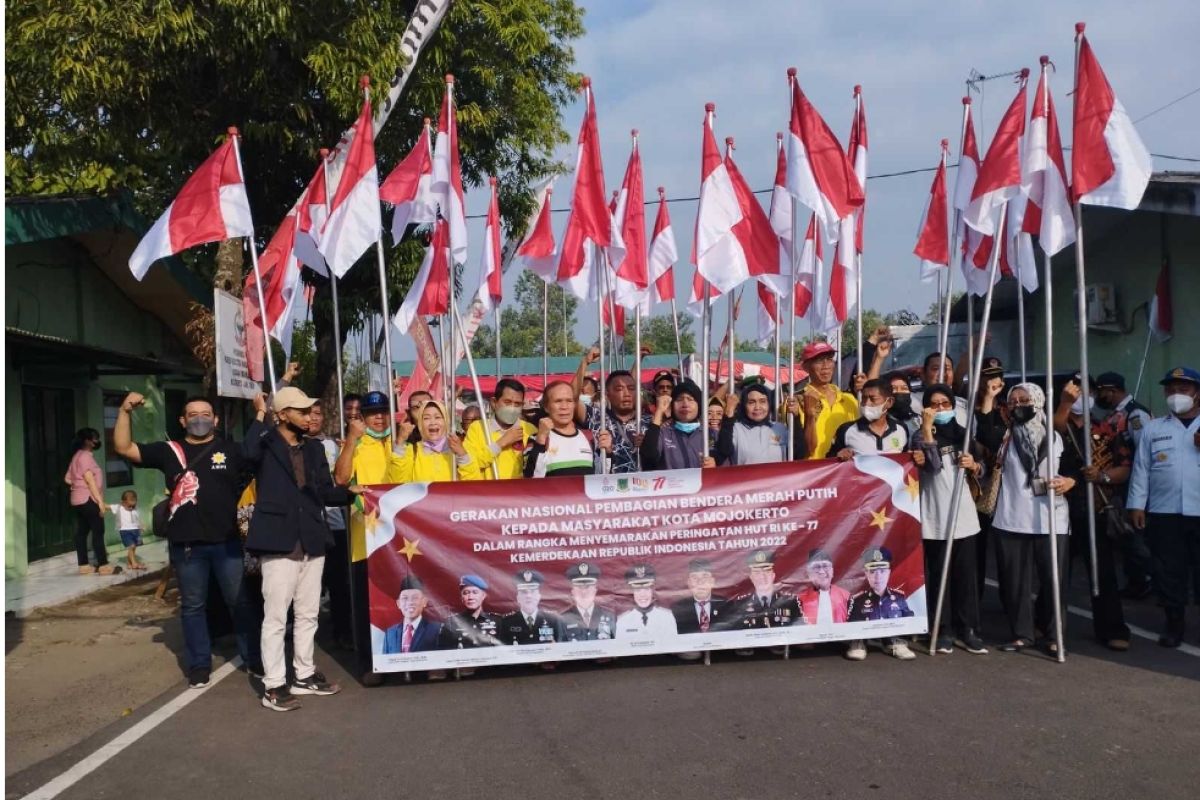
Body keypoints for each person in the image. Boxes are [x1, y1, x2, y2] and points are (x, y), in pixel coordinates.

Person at [113, 393, 262, 688]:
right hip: (187, 546)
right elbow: (124, 448)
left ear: (216, 420)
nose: (199, 419)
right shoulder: (170, 451)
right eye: (192, 414)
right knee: (193, 606)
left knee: (240, 602)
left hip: (227, 544)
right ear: (182, 420)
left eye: (205, 413)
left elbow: (257, 449)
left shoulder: (230, 450)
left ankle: (254, 657)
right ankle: (198, 665)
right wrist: (124, 410)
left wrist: (260, 414)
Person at [244, 387, 358, 711]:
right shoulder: (264, 443)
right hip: (277, 539)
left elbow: (323, 491)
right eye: (302, 411)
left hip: (312, 537)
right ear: (282, 415)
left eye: (311, 411)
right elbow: (246, 454)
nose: (310, 416)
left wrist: (351, 493)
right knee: (276, 617)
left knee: (308, 613)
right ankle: (274, 685)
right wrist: (259, 413)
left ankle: (304, 674)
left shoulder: (314, 450)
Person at [990, 383, 1073, 654]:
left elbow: (1078, 469)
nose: (1017, 405)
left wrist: (1070, 481)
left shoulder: (1057, 434)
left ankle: (1053, 635)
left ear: (1037, 401)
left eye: (1024, 399)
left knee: (1053, 581)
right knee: (1016, 583)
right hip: (1012, 517)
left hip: (1052, 518)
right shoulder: (1005, 435)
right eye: (1013, 401)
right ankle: (1022, 634)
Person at [1054, 375, 1132, 651]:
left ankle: (1112, 629)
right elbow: (1055, 430)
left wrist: (1102, 477)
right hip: (1060, 510)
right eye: (1073, 389)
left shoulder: (1107, 427)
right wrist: (1064, 404)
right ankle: (1050, 631)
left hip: (1094, 509)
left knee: (1103, 572)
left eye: (1084, 389)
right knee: (1056, 572)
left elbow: (1124, 466)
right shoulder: (1055, 425)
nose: (1078, 395)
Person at [910, 384, 988, 655]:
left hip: (963, 515)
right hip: (934, 515)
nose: (940, 409)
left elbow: (982, 466)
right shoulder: (919, 437)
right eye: (934, 404)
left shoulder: (962, 435)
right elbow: (932, 464)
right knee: (938, 575)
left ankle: (967, 628)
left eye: (945, 404)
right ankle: (941, 628)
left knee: (965, 576)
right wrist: (928, 428)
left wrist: (975, 465)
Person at [1127, 366, 1200, 649]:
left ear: (1197, 393)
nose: (1175, 394)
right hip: (1164, 512)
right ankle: (1174, 624)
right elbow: (1141, 469)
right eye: (1170, 389)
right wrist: (1136, 505)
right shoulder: (1153, 428)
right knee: (1169, 571)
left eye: (1183, 389)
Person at [1093, 371, 1155, 599]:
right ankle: (1136, 580)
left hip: (1134, 483)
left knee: (1135, 535)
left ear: (1113, 390)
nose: (1100, 395)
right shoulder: (1114, 415)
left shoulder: (1135, 414)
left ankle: (1149, 581)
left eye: (1102, 391)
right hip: (1120, 483)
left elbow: (1144, 452)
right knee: (1125, 535)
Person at [306, 400, 352, 651]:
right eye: (307, 413)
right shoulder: (291, 445)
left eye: (317, 413)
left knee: (338, 583)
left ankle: (341, 631)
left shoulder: (333, 445)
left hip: (334, 524)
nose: (313, 418)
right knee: (307, 587)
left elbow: (341, 480)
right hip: (306, 526)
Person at [574, 347, 651, 474]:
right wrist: (585, 363)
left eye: (631, 388)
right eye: (619, 389)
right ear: (607, 394)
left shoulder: (650, 422)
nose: (626, 394)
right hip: (607, 489)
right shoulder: (597, 417)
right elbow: (571, 398)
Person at [846, 547, 916, 661]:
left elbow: (908, 619)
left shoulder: (899, 597)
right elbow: (851, 624)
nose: (878, 577)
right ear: (866, 573)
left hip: (893, 636)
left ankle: (893, 641)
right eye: (873, 571)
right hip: (862, 635)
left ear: (888, 572)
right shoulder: (857, 600)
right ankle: (859, 643)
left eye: (882, 571)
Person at [66, 427, 116, 575]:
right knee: (98, 531)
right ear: (88, 441)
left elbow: (67, 479)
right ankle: (103, 565)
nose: (97, 441)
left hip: (77, 500)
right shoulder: (86, 457)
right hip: (89, 499)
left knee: (81, 533)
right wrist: (100, 502)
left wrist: (78, 486)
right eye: (95, 438)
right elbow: (90, 480)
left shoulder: (76, 456)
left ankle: (83, 565)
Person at [798, 341, 859, 461]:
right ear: (806, 367)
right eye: (819, 361)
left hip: (844, 471)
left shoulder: (849, 399)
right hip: (813, 472)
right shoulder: (797, 401)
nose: (825, 365)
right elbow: (804, 450)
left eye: (829, 359)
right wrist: (810, 416)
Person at [464, 378, 536, 480]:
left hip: (519, 493)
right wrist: (500, 443)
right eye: (507, 402)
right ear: (494, 402)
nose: (512, 408)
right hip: (488, 493)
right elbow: (470, 464)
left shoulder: (530, 430)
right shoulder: (478, 428)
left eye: (517, 404)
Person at [716, 382, 804, 465]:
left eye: (762, 401)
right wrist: (728, 415)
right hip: (747, 480)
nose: (757, 407)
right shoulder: (736, 429)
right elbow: (724, 451)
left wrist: (796, 419)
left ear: (769, 404)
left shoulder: (780, 428)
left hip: (778, 481)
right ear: (744, 406)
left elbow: (800, 454)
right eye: (751, 402)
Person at [524, 381, 598, 478]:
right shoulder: (536, 440)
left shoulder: (589, 437)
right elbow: (531, 479)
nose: (564, 407)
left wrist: (608, 455)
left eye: (569, 401)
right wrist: (541, 440)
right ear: (546, 407)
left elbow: (601, 479)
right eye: (558, 401)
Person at [393, 400, 480, 482]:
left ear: (446, 421)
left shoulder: (460, 449)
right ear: (420, 423)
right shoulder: (412, 451)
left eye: (438, 417)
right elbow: (398, 482)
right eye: (426, 418)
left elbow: (473, 485)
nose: (432, 422)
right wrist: (399, 443)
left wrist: (462, 455)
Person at [640, 380, 716, 470]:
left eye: (690, 399)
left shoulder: (711, 434)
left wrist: (715, 466)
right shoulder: (663, 433)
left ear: (699, 405)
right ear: (672, 405)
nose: (685, 404)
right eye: (679, 399)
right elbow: (648, 457)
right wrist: (659, 411)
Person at [826, 379, 908, 459]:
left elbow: (906, 462)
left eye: (873, 399)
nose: (866, 403)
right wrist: (838, 455)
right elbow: (829, 463)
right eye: (864, 398)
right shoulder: (846, 430)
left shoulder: (901, 429)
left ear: (889, 402)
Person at [730, 550, 804, 630]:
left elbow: (799, 630)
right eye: (757, 573)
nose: (762, 577)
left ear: (773, 575)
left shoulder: (791, 601)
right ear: (751, 578)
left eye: (766, 572)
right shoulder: (740, 604)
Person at [499, 570, 565, 644]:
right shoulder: (507, 622)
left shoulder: (553, 620)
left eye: (533, 591)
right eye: (524, 592)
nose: (528, 596)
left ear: (539, 596)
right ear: (518, 597)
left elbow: (561, 648)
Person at [382, 575, 443, 654]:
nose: (410, 602)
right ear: (398, 603)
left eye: (415, 598)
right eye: (405, 598)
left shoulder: (437, 630)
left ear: (424, 602)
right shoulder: (390, 633)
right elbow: (385, 664)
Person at [440, 574, 502, 650]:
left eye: (475, 592)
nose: (470, 597)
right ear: (461, 598)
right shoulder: (451, 622)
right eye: (466, 593)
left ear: (483, 596)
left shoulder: (497, 621)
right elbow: (443, 654)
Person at [615, 564, 678, 638]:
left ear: (653, 590)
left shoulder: (667, 617)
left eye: (647, 589)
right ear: (632, 592)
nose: (643, 595)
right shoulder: (623, 620)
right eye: (637, 590)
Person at [560, 562, 616, 641]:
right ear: (572, 591)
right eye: (579, 587)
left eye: (588, 587)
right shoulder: (563, 619)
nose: (584, 592)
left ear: (595, 590)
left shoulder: (609, 616)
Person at [671, 558, 727, 638]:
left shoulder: (728, 605)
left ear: (712, 581)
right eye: (694, 578)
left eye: (705, 577)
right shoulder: (677, 609)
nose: (700, 582)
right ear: (689, 583)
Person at [797, 549, 850, 625]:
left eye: (825, 566)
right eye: (816, 567)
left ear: (832, 571)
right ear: (809, 573)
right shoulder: (799, 600)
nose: (822, 571)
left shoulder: (846, 597)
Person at [109, 490, 147, 571]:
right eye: (129, 504)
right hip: (125, 531)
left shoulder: (134, 509)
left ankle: (129, 563)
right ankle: (134, 563)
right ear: (123, 502)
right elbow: (107, 507)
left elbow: (137, 519)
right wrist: (99, 504)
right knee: (131, 546)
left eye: (133, 503)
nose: (131, 507)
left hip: (135, 531)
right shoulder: (119, 507)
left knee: (133, 548)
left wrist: (141, 526)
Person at [885, 372, 922, 438]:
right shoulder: (881, 421)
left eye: (904, 388)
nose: (899, 392)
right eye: (894, 388)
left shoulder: (918, 420)